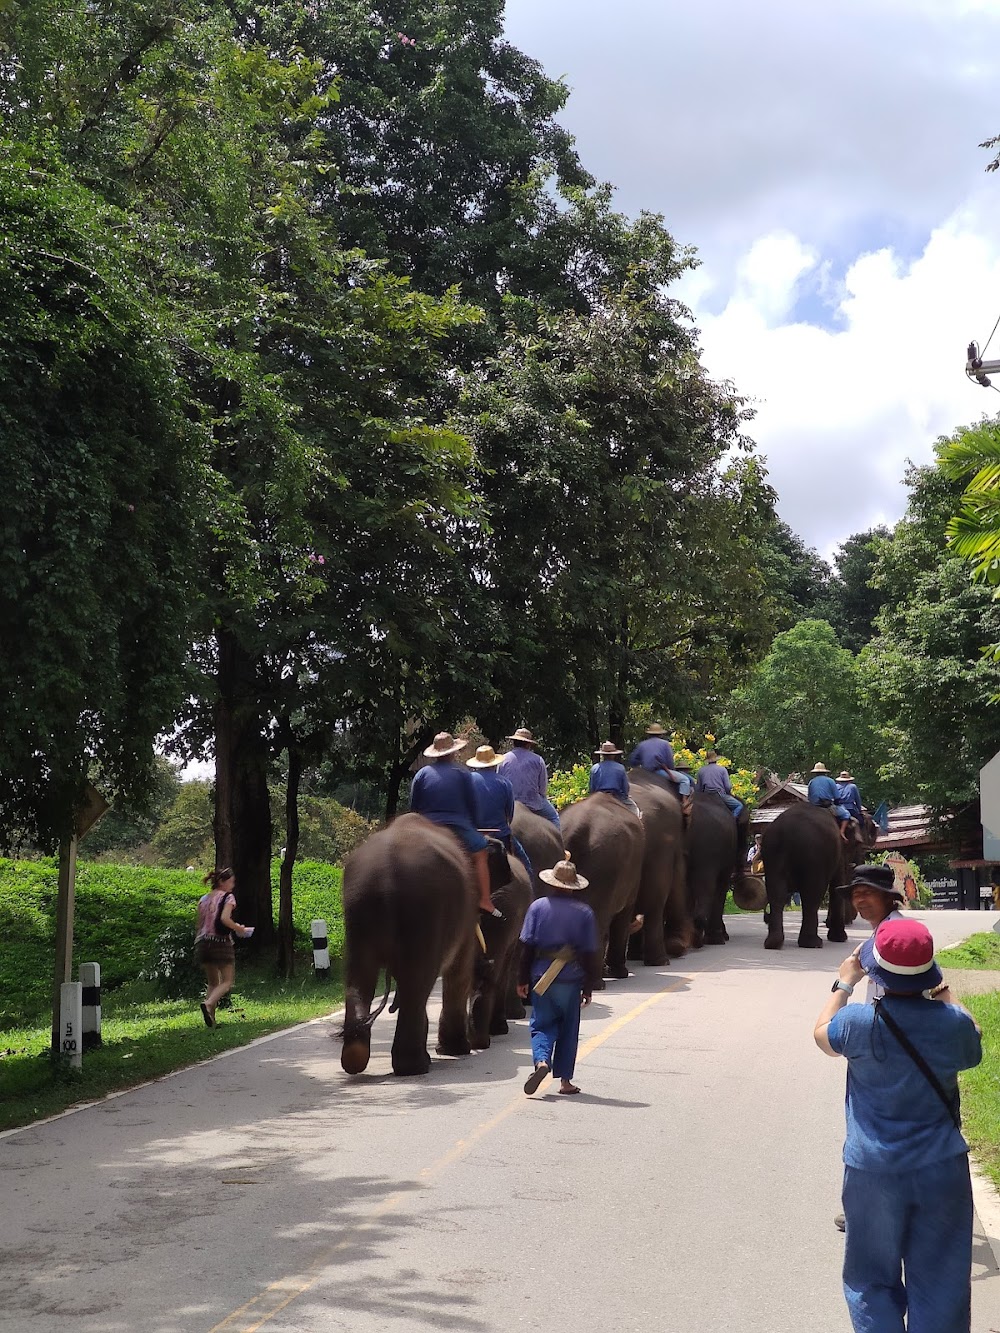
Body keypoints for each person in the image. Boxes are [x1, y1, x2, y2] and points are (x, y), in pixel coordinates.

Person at [814, 918, 982, 1332]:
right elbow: (973, 1035)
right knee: (941, 1277)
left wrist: (844, 983)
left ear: (874, 970)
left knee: (871, 1277)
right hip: (941, 1167)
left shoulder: (857, 1024)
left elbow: (821, 1035)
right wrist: (944, 992)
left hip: (872, 1169)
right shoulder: (952, 1026)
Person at [518, 853, 601, 1096]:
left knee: (541, 1024)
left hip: (542, 977)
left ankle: (541, 1061)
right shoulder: (584, 912)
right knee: (568, 1029)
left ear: (551, 882)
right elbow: (589, 953)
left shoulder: (537, 907)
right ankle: (565, 1082)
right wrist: (588, 986)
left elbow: (527, 947)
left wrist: (521, 979)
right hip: (571, 978)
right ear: (574, 886)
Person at [409, 732, 500, 917]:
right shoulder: (463, 774)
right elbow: (474, 806)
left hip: (426, 827)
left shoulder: (421, 774)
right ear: (453, 752)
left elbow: (414, 808)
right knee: (481, 852)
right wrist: (475, 826)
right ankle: (485, 900)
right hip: (459, 827)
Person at [194, 867, 253, 1028]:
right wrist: (239, 929)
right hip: (220, 942)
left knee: (213, 983)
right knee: (227, 981)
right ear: (222, 882)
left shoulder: (204, 899)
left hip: (202, 942)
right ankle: (209, 1003)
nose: (232, 886)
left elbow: (199, 924)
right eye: (231, 882)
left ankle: (211, 1020)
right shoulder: (228, 897)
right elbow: (225, 919)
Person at [466, 744, 533, 878]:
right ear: (494, 764)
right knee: (526, 866)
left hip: (473, 835)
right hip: (500, 834)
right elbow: (510, 815)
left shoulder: (466, 781)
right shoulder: (505, 783)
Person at [497, 727, 560, 828]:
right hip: (533, 803)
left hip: (510, 805)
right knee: (554, 818)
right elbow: (543, 789)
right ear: (528, 744)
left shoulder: (502, 760)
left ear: (514, 742)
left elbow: (499, 785)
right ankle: (560, 842)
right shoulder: (538, 760)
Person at [627, 722, 693, 796]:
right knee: (685, 780)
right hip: (659, 771)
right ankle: (685, 801)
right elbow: (669, 761)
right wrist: (671, 771)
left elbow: (632, 761)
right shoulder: (665, 744)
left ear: (649, 734)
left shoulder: (641, 744)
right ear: (661, 734)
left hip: (645, 772)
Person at [589, 741, 642, 819]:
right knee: (634, 809)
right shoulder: (620, 768)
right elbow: (625, 788)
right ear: (613, 755)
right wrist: (625, 796)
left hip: (598, 796)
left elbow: (591, 787)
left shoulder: (594, 768)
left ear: (602, 755)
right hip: (616, 796)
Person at [808, 762, 851, 840]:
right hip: (827, 806)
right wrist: (836, 803)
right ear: (825, 772)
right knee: (846, 814)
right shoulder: (830, 781)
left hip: (814, 807)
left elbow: (809, 798)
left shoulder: (811, 782)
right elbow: (837, 798)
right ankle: (842, 831)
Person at [695, 751, 743, 819]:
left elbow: (698, 788)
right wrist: (729, 794)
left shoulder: (701, 771)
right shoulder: (722, 769)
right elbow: (727, 787)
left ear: (707, 760)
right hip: (719, 794)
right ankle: (732, 819)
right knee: (739, 805)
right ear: (716, 760)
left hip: (706, 795)